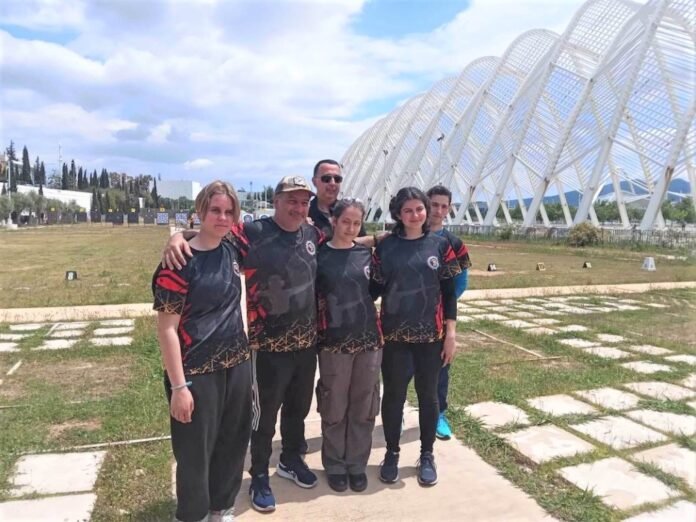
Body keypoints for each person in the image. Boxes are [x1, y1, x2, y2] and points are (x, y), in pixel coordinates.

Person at [162, 175, 322, 514]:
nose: (298, 208)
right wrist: (177, 236)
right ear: (276, 201)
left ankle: (282, 466)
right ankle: (250, 480)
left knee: (265, 425)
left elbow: (344, 238)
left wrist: (382, 237)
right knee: (244, 427)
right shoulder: (248, 235)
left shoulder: (307, 234)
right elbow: (210, 235)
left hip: (275, 352)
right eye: (291, 200)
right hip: (248, 353)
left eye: (303, 202)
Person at [153, 181, 250, 522]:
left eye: (228, 212)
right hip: (196, 372)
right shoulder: (178, 262)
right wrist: (179, 387)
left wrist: (181, 232)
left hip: (237, 365)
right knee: (194, 454)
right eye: (215, 211)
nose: (222, 218)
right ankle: (192, 515)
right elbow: (167, 329)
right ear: (200, 211)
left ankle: (221, 507)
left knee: (233, 443)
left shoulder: (233, 247)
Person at [370, 186, 465, 487]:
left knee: (428, 397)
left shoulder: (440, 245)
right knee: (394, 397)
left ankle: (426, 454)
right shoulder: (387, 247)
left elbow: (450, 294)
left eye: (420, 209)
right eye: (408, 210)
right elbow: (373, 290)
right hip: (395, 338)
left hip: (431, 339)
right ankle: (392, 453)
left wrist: (450, 334)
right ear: (398, 214)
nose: (415, 215)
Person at [315, 198, 383, 493]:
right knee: (334, 406)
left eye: (357, 223)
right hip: (333, 343)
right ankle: (334, 464)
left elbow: (376, 291)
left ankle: (356, 464)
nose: (351, 228)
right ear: (334, 221)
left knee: (364, 406)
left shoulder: (366, 255)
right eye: (345, 221)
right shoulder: (319, 256)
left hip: (369, 341)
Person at [425, 185, 471, 440]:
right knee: (402, 369)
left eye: (444, 206)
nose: (438, 211)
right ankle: (397, 413)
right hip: (406, 318)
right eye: (434, 205)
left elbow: (460, 283)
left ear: (449, 209)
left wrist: (441, 306)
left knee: (441, 368)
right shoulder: (408, 235)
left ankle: (438, 415)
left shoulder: (454, 244)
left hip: (439, 319)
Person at [309, 159, 366, 239]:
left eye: (337, 179)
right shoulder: (305, 212)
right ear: (314, 181)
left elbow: (361, 241)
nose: (333, 183)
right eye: (326, 178)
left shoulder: (350, 211)